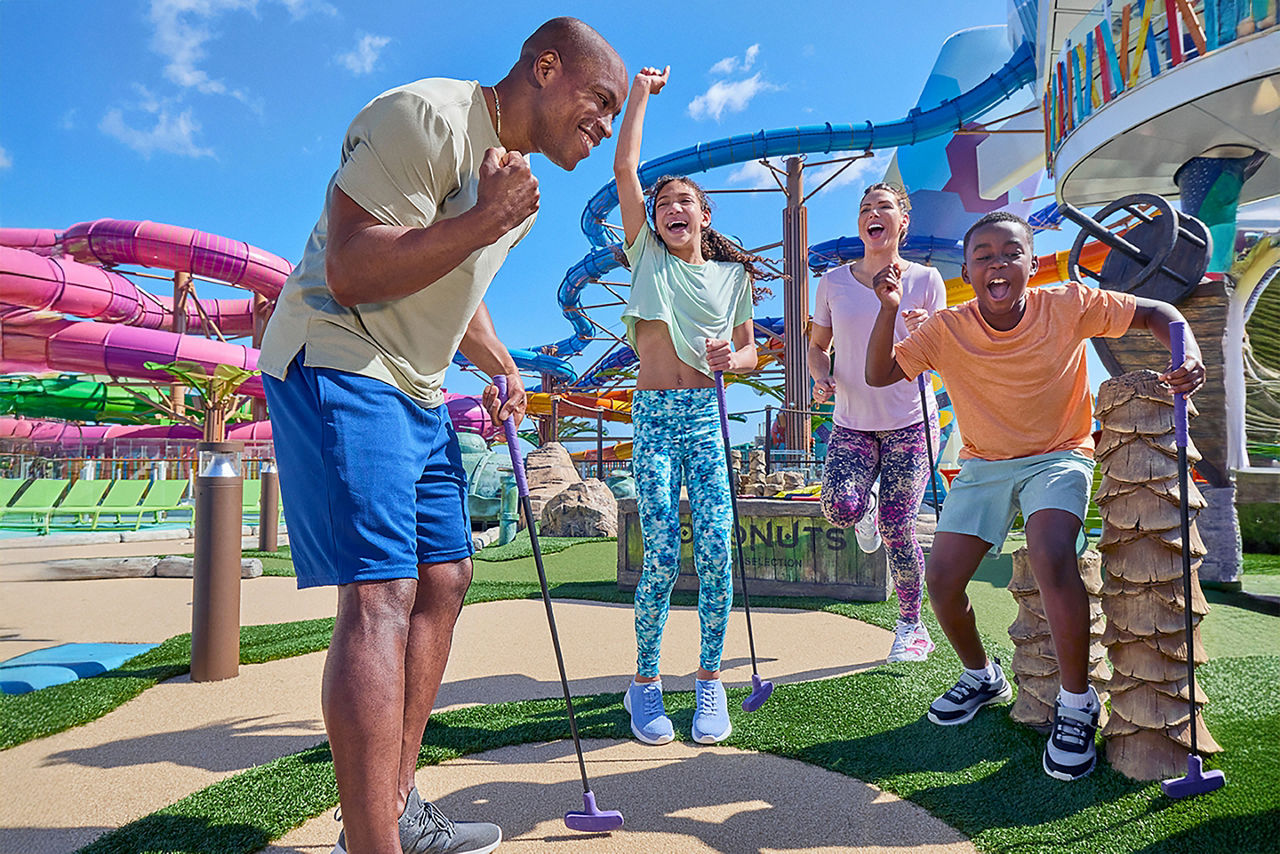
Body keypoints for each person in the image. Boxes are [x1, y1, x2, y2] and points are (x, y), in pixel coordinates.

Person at [257, 19, 627, 854]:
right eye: (600, 102)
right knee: (382, 593)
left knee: (447, 578)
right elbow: (353, 268)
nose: (604, 127)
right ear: (545, 67)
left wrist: (498, 363)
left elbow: (455, 286)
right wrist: (485, 217)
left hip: (416, 385)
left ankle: (393, 808)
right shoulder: (422, 116)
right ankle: (374, 845)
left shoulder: (519, 192)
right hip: (340, 357)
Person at [865, 211, 1205, 781]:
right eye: (984, 256)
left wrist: (1185, 348)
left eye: (1010, 253)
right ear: (968, 272)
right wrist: (888, 307)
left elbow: (1160, 314)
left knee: (1051, 555)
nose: (998, 263)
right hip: (983, 465)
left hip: (1059, 454)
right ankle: (981, 675)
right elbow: (879, 375)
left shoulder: (1068, 303)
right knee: (942, 582)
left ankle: (1076, 705)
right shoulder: (946, 329)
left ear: (1029, 263)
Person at [614, 66, 761, 746]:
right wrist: (640, 92)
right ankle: (644, 685)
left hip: (706, 417)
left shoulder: (731, 277)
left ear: (705, 214)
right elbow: (625, 165)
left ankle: (708, 684)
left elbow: (749, 350)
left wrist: (739, 359)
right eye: (663, 201)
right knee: (662, 560)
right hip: (654, 417)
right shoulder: (645, 254)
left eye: (685, 202)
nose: (672, 208)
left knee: (716, 551)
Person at [808, 182, 946, 663]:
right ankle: (862, 509)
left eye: (883, 207)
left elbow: (942, 350)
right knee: (840, 509)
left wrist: (926, 327)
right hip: (852, 423)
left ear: (902, 223)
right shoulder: (833, 282)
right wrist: (820, 376)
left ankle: (911, 626)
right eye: (865, 208)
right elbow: (815, 347)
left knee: (898, 528)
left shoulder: (927, 280)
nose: (873, 213)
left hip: (910, 423)